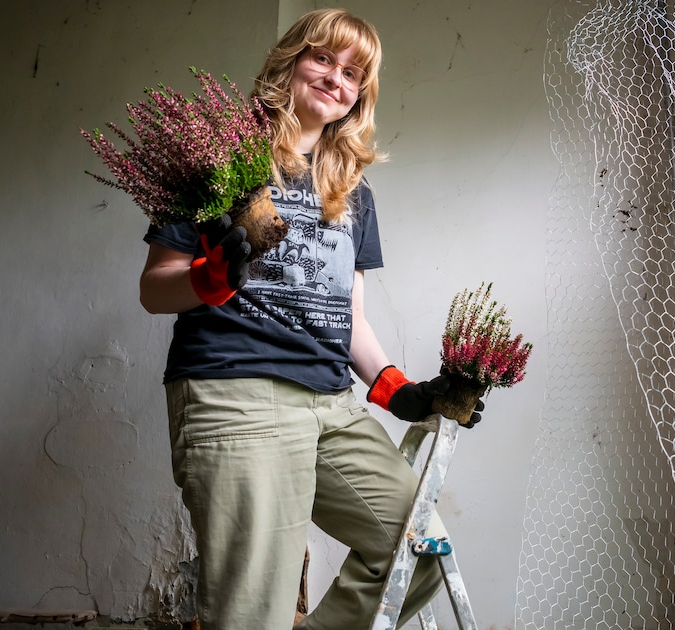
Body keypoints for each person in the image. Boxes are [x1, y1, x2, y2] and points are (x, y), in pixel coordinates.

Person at [139, 8, 479, 629]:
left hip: (332, 404)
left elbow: (349, 316)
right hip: (237, 394)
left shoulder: (352, 190)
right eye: (323, 58)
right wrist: (209, 280)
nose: (335, 79)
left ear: (360, 96)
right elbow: (154, 288)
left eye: (353, 73)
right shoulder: (220, 158)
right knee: (253, 613)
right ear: (290, 62)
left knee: (420, 555)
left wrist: (397, 390)